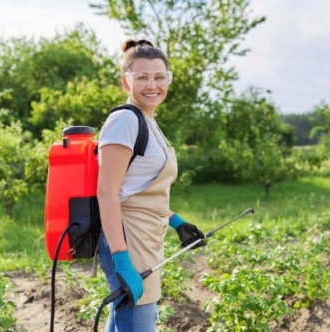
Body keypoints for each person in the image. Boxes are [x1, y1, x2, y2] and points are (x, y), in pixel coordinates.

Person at [96, 39, 206, 332]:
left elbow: (138, 190)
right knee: (137, 322)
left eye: (159, 76)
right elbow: (106, 193)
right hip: (128, 240)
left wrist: (176, 221)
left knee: (125, 323)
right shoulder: (125, 121)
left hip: (145, 238)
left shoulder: (148, 120)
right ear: (125, 81)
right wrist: (121, 259)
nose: (152, 84)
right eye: (141, 77)